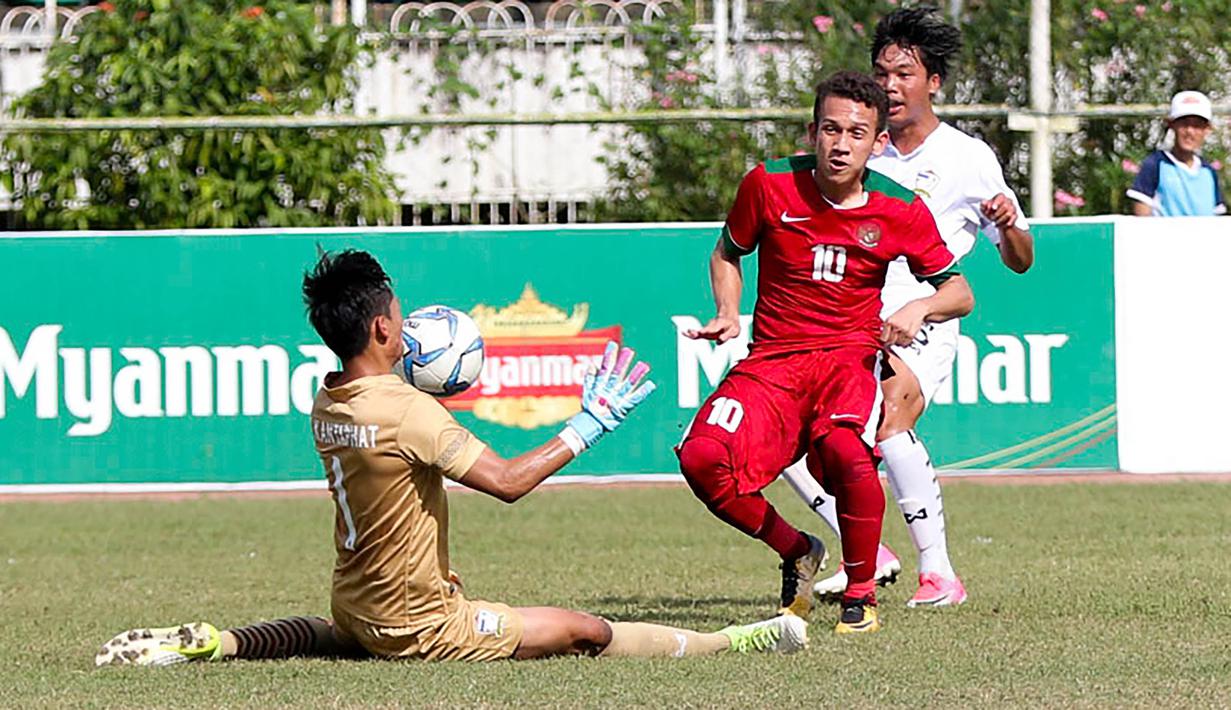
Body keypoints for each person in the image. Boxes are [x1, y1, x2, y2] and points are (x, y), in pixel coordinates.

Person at [95, 249, 807, 667]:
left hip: (357, 606)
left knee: (331, 637)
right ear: (379, 326)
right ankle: (729, 643)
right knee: (580, 629)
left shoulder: (331, 398)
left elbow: (392, 430)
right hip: (419, 625)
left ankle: (220, 643)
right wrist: (588, 425)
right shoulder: (406, 410)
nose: (407, 329)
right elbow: (505, 482)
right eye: (400, 320)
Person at [678, 71, 974, 635]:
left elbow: (959, 292)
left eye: (857, 133)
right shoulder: (768, 185)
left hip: (847, 360)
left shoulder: (900, 208)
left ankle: (861, 592)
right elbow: (726, 252)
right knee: (701, 459)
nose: (842, 144)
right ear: (813, 131)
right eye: (831, 130)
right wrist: (725, 312)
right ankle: (795, 548)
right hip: (772, 361)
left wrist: (917, 309)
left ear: (878, 144)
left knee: (843, 446)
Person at [782, 6, 1034, 609]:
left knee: (891, 421)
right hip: (846, 316)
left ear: (933, 83)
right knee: (782, 426)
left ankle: (940, 573)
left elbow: (1021, 259)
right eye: (881, 72)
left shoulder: (967, 157)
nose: (890, 86)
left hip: (926, 315)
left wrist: (1007, 221)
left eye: (903, 74)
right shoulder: (861, 145)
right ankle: (867, 548)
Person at [1127, 90, 1226, 217]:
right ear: (1172, 125)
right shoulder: (1155, 165)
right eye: (1184, 124)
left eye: (1197, 125)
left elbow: (1217, 218)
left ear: (1207, 129)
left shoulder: (1208, 172)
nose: (1190, 131)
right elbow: (1142, 216)